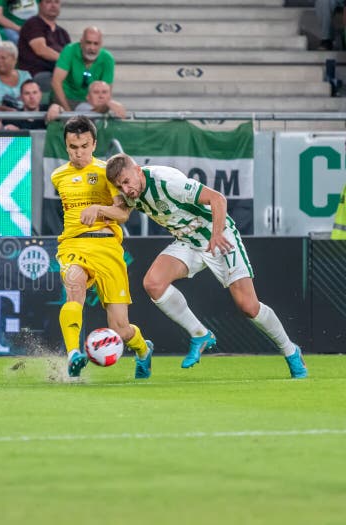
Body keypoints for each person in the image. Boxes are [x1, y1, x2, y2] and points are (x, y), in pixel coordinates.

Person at [105, 153, 308, 379]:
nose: (125, 189)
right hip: (188, 241)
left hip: (218, 236)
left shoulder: (167, 182)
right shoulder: (130, 193)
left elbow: (218, 199)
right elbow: (122, 207)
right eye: (119, 186)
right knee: (153, 283)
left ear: (138, 170)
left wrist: (216, 234)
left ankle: (291, 351)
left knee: (248, 306)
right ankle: (199, 334)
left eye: (126, 181)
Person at [51, 116, 154, 379]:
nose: (79, 152)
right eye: (73, 147)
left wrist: (97, 209)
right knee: (74, 285)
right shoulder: (58, 176)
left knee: (120, 329)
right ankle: (74, 354)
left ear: (94, 143)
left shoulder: (106, 171)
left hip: (107, 247)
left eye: (84, 146)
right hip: (74, 245)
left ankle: (143, 349)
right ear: (66, 146)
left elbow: (123, 214)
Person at [51, 26, 114, 112]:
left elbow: (106, 90)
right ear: (81, 42)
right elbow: (56, 82)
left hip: (90, 102)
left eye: (96, 44)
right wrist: (67, 112)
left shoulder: (107, 58)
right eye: (88, 43)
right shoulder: (69, 50)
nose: (92, 48)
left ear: (101, 44)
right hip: (65, 98)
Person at [16, 0, 69, 93]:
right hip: (35, 75)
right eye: (48, 2)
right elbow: (41, 50)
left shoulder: (63, 33)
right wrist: (64, 60)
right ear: (39, 5)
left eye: (56, 2)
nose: (53, 5)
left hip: (57, 73)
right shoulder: (33, 23)